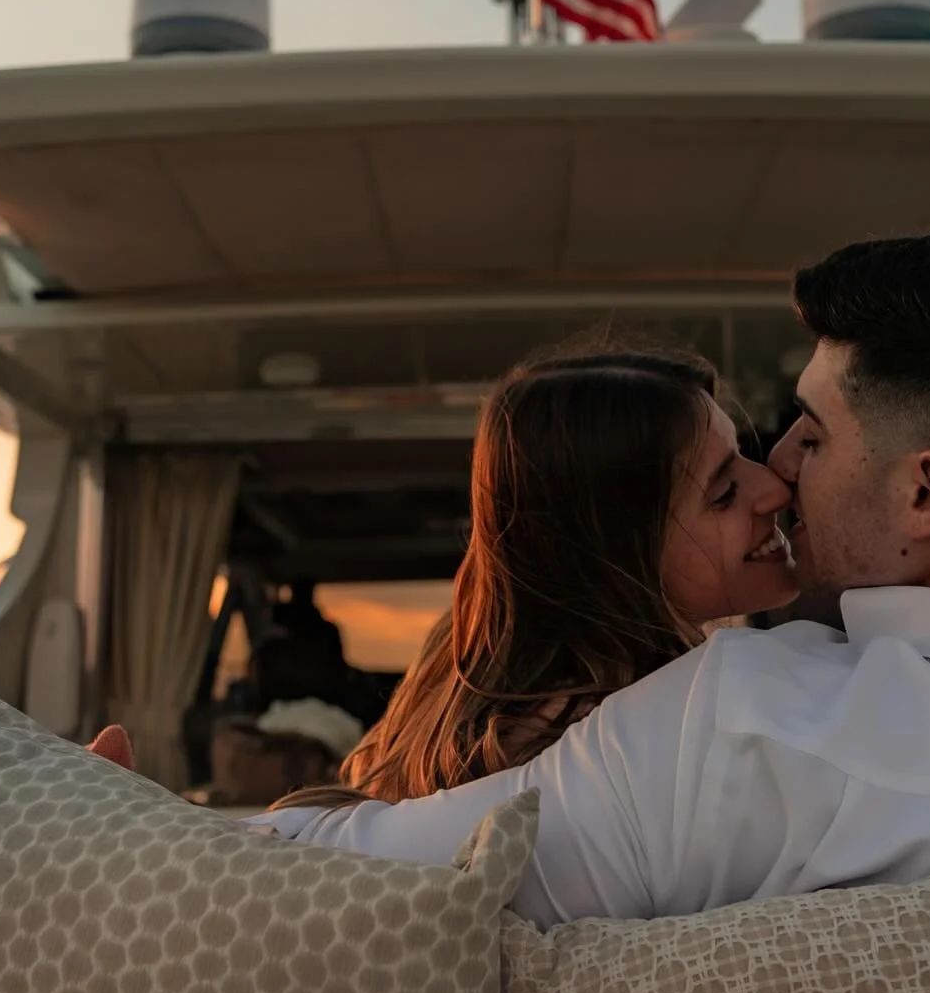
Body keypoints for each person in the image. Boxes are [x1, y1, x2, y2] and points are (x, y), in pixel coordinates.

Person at [247, 234, 930, 929]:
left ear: (926, 493)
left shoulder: (741, 733)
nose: (781, 469)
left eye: (813, 434)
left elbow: (333, 884)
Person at [276, 342, 797, 808]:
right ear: (612, 552)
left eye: (742, 457)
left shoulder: (483, 708)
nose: (775, 489)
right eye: (723, 493)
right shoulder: (616, 748)